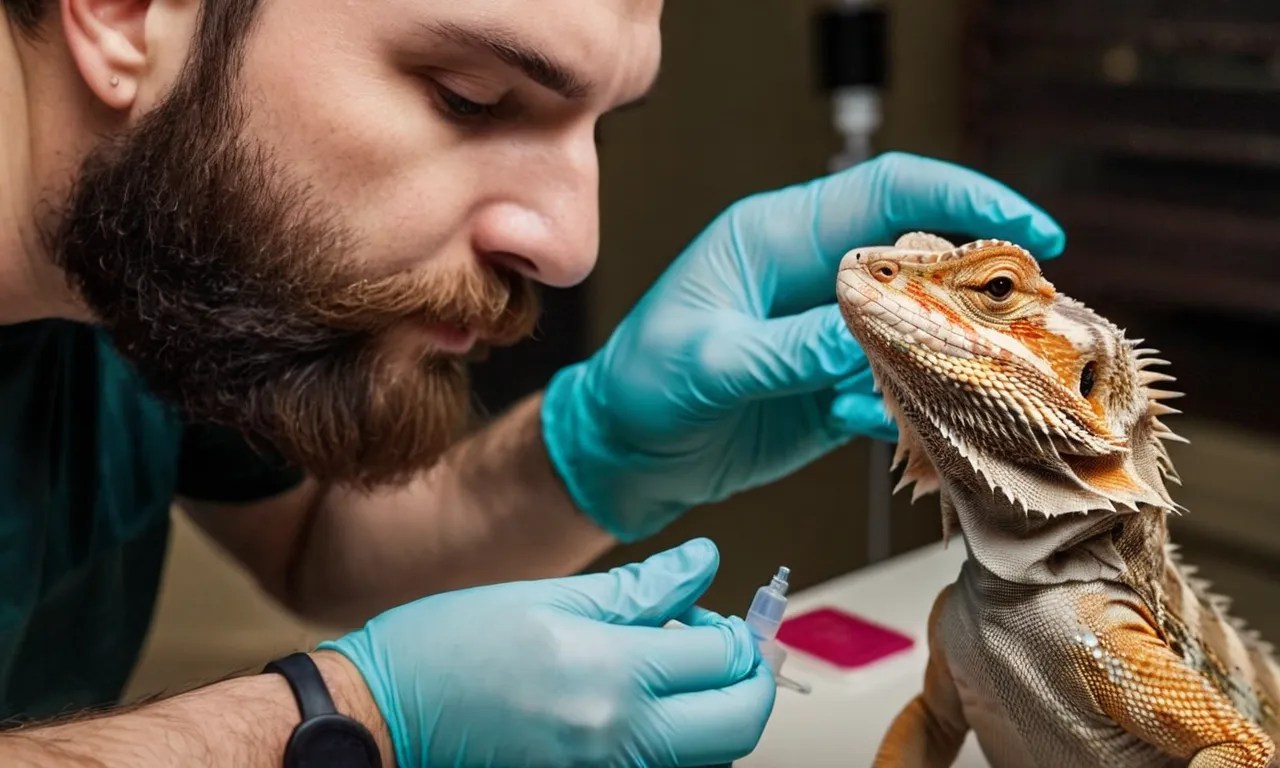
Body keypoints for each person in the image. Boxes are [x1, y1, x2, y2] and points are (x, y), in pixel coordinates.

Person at [0, 0, 1066, 764]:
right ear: (123, 15)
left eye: (595, 125)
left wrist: (592, 452)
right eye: (469, 98)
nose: (569, 246)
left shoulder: (148, 264)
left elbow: (315, 545)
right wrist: (340, 721)